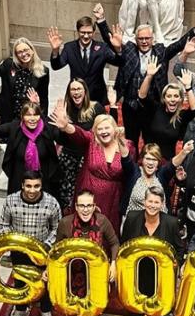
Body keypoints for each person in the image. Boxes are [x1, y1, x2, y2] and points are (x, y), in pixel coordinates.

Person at [92, 3, 195, 145]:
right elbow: (111, 40)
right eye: (141, 39)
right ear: (136, 39)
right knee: (130, 141)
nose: (144, 41)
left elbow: (178, 44)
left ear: (152, 39)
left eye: (147, 38)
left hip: (153, 105)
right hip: (130, 104)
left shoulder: (160, 52)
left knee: (150, 140)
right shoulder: (129, 50)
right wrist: (101, 20)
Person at [50, 100, 135, 234]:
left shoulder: (127, 145)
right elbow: (79, 134)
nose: (103, 131)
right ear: (95, 132)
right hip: (88, 196)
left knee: (107, 234)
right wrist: (66, 126)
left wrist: (123, 150)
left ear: (114, 129)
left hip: (113, 200)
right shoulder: (91, 141)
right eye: (99, 129)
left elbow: (131, 171)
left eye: (107, 128)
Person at [0, 170, 61, 316]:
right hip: (19, 251)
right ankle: (20, 311)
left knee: (45, 281)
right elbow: (3, 225)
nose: (32, 190)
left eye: (36, 186)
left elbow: (57, 229)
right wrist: (14, 242)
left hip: (42, 251)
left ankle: (46, 312)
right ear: (22, 185)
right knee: (20, 281)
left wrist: (47, 245)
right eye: (28, 186)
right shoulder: (10, 201)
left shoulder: (51, 203)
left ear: (41, 186)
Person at [0, 91, 62, 196]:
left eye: (35, 115)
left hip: (43, 185)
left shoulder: (47, 128)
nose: (32, 119)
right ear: (22, 116)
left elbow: (63, 139)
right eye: (28, 115)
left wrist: (65, 127)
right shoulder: (14, 128)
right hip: (19, 184)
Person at [121, 186, 184, 316]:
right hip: (136, 278)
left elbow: (179, 249)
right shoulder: (132, 217)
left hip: (160, 281)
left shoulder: (171, 223)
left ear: (162, 204)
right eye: (150, 201)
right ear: (144, 202)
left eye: (156, 202)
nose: (152, 205)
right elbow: (124, 244)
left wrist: (175, 265)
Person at [55, 190, 119, 313]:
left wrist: (113, 264)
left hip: (96, 272)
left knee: (93, 309)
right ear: (76, 207)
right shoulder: (65, 223)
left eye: (89, 206)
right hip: (72, 272)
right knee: (74, 309)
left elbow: (114, 243)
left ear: (94, 206)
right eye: (82, 206)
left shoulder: (102, 221)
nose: (85, 210)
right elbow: (57, 250)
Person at [56, 78, 114, 209]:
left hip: (89, 157)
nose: (76, 92)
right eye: (73, 89)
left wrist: (113, 105)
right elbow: (60, 140)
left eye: (79, 89)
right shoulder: (66, 110)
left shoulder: (96, 108)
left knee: (86, 194)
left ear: (85, 91)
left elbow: (109, 126)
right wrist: (61, 127)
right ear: (69, 93)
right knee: (67, 195)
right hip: (68, 158)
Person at [0, 38, 49, 124]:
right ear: (16, 55)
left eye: (26, 50)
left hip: (28, 116)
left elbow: (44, 97)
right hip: (8, 115)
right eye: (19, 52)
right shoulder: (9, 65)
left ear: (32, 51)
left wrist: (43, 121)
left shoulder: (43, 71)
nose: (23, 54)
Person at [47, 17, 121, 105]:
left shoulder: (102, 48)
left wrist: (118, 49)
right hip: (76, 97)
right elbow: (56, 66)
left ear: (93, 33)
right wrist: (55, 51)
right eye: (83, 32)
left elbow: (118, 62)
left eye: (89, 32)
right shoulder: (69, 47)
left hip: (98, 97)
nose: (86, 36)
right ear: (78, 31)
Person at [137, 54, 195, 159]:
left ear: (180, 99)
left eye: (176, 96)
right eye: (169, 96)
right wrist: (149, 76)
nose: (172, 99)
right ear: (164, 99)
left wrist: (188, 87)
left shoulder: (181, 116)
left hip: (167, 161)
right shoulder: (155, 109)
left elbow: (194, 108)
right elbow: (142, 96)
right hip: (149, 157)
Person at [120, 141, 193, 215]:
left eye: (154, 159)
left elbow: (172, 164)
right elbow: (126, 158)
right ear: (142, 159)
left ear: (158, 162)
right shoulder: (134, 171)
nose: (151, 163)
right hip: (133, 222)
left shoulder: (161, 174)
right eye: (148, 159)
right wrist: (119, 139)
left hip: (159, 222)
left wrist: (184, 152)